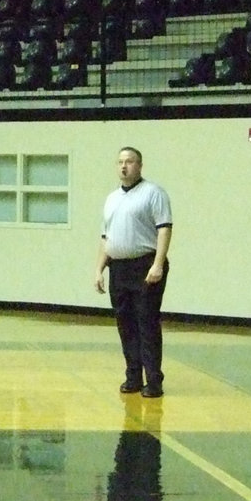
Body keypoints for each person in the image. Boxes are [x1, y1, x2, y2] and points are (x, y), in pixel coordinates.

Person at [94, 146, 173, 398]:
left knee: (146, 322)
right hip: (119, 268)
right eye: (120, 161)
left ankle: (154, 380)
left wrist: (157, 264)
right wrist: (99, 269)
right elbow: (106, 237)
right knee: (125, 324)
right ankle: (133, 376)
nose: (124, 166)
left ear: (139, 165)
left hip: (145, 265)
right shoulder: (111, 198)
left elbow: (164, 229)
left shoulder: (153, 193)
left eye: (129, 161)